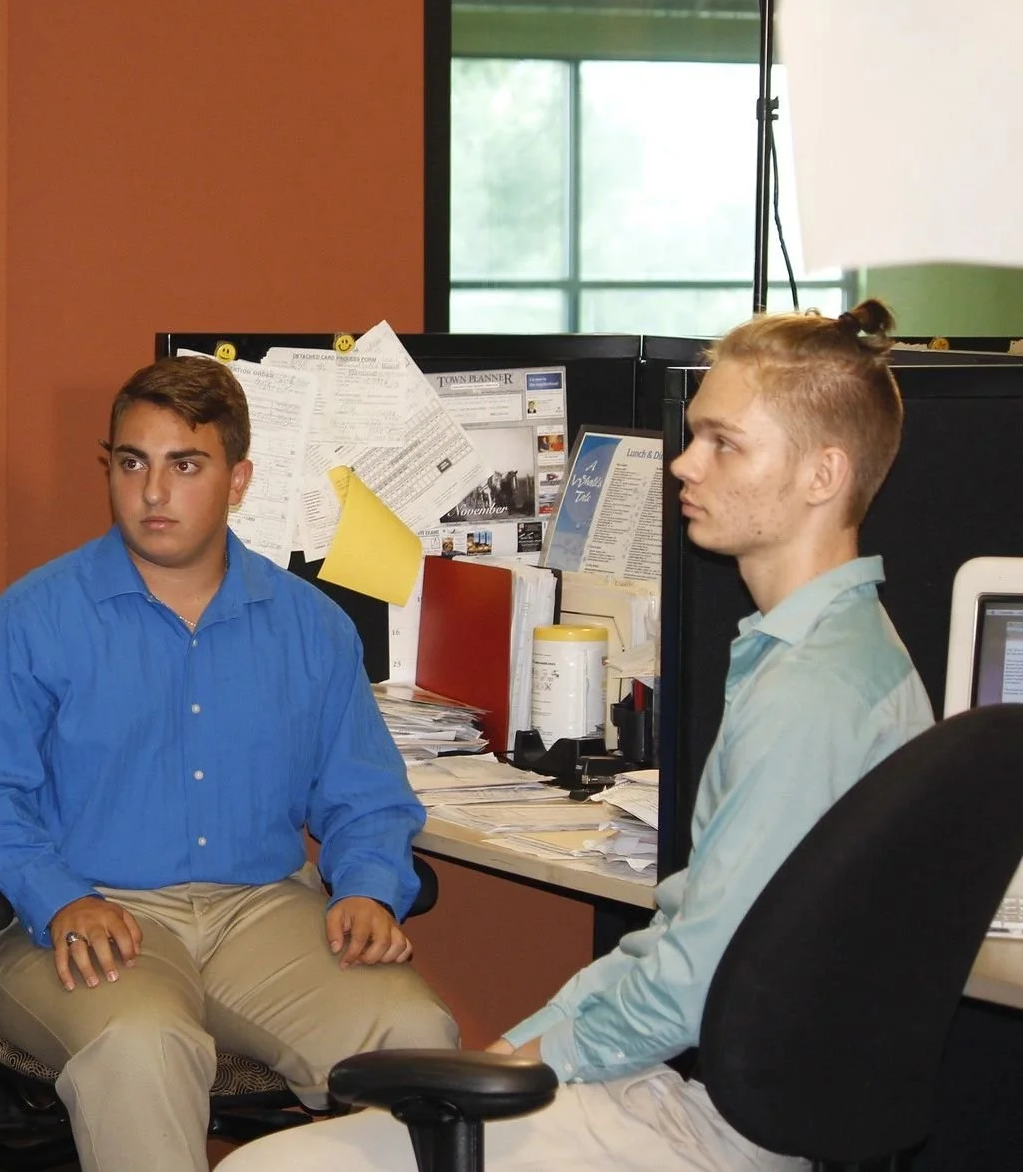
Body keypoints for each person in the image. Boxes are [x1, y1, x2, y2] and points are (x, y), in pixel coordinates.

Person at [227, 301, 931, 1172]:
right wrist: (527, 1045)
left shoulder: (813, 694)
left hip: (729, 1126)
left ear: (824, 474)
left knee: (269, 1168)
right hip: (730, 1091)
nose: (683, 460)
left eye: (723, 441)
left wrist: (533, 1061)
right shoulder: (839, 648)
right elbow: (690, 937)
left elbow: (697, 974)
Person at [0, 356, 458, 1172]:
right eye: (130, 462)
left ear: (238, 478)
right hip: (80, 914)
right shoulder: (31, 621)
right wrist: (59, 895)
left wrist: (367, 886)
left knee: (415, 1038)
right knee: (143, 1044)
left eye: (185, 465)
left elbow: (367, 796)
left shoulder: (310, 627)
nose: (151, 492)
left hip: (262, 913)